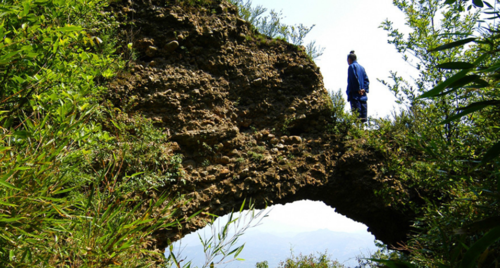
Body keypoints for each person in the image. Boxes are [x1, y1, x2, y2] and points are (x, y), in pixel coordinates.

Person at [346, 50, 370, 123]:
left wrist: (358, 89)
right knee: (363, 116)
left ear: (349, 59)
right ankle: (362, 131)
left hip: (355, 95)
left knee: (357, 115)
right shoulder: (362, 68)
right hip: (363, 95)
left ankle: (357, 131)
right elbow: (366, 80)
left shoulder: (351, 67)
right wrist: (364, 89)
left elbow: (354, 77)